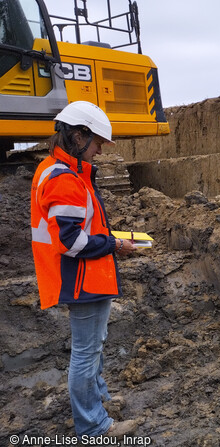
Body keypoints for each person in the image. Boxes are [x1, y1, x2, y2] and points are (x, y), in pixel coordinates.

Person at [30, 101, 138, 438]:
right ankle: (93, 426)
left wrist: (106, 238)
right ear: (78, 136)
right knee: (86, 352)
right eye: (98, 144)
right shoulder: (64, 179)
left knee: (93, 346)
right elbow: (71, 243)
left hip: (83, 277)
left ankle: (100, 400)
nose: (100, 152)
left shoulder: (60, 170)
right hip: (81, 278)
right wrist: (114, 245)